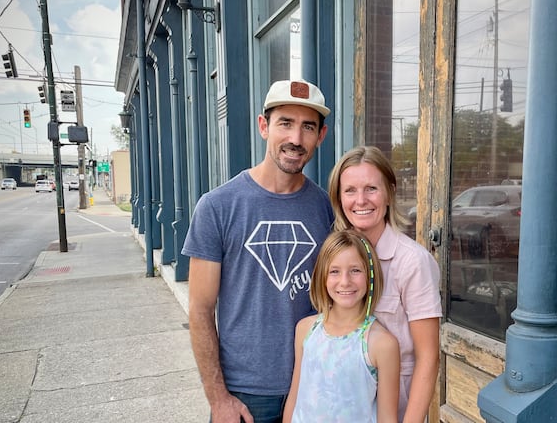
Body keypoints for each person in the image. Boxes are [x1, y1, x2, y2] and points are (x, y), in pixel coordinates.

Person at [182, 79, 334, 423]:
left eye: (308, 127)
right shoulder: (217, 207)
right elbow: (200, 310)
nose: (296, 138)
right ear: (263, 126)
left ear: (321, 136)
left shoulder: (326, 208)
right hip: (245, 395)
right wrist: (218, 398)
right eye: (285, 123)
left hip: (313, 385)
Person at [328, 145, 442, 422]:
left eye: (371, 189)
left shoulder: (413, 262)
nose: (361, 200)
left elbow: (428, 358)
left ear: (389, 193)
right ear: (339, 197)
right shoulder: (334, 256)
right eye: (350, 190)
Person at [283, 230, 400, 423]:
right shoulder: (305, 329)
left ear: (370, 275)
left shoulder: (382, 344)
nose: (345, 282)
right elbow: (295, 397)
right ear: (322, 277)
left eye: (355, 270)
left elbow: (387, 418)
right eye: (334, 271)